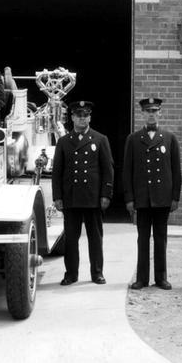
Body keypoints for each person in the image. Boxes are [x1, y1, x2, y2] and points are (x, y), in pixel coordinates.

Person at [51, 100, 114, 285]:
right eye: (78, 115)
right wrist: (57, 197)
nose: (82, 118)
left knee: (95, 238)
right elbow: (57, 172)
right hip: (71, 198)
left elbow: (108, 169)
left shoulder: (100, 139)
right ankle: (71, 274)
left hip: (92, 197)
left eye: (85, 115)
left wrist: (106, 194)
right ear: (72, 117)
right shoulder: (64, 142)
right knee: (71, 239)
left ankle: (97, 273)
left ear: (90, 117)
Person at [123, 97, 181, 290]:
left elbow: (176, 171)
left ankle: (161, 277)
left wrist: (175, 197)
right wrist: (130, 198)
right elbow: (127, 171)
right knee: (143, 239)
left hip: (162, 198)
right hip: (142, 198)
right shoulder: (133, 139)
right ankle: (142, 278)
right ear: (142, 114)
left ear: (160, 113)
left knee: (161, 238)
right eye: (148, 111)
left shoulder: (169, 138)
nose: (151, 114)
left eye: (154, 111)